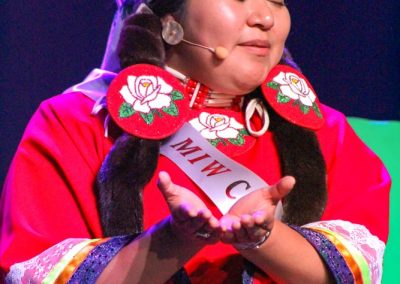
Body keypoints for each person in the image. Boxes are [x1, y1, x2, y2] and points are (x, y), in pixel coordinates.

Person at [0, 0, 390, 283]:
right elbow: (37, 271)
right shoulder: (77, 123)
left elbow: (355, 271)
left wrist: (263, 238)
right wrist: (174, 240)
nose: (265, 17)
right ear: (169, 18)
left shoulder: (324, 130)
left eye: (277, 0)